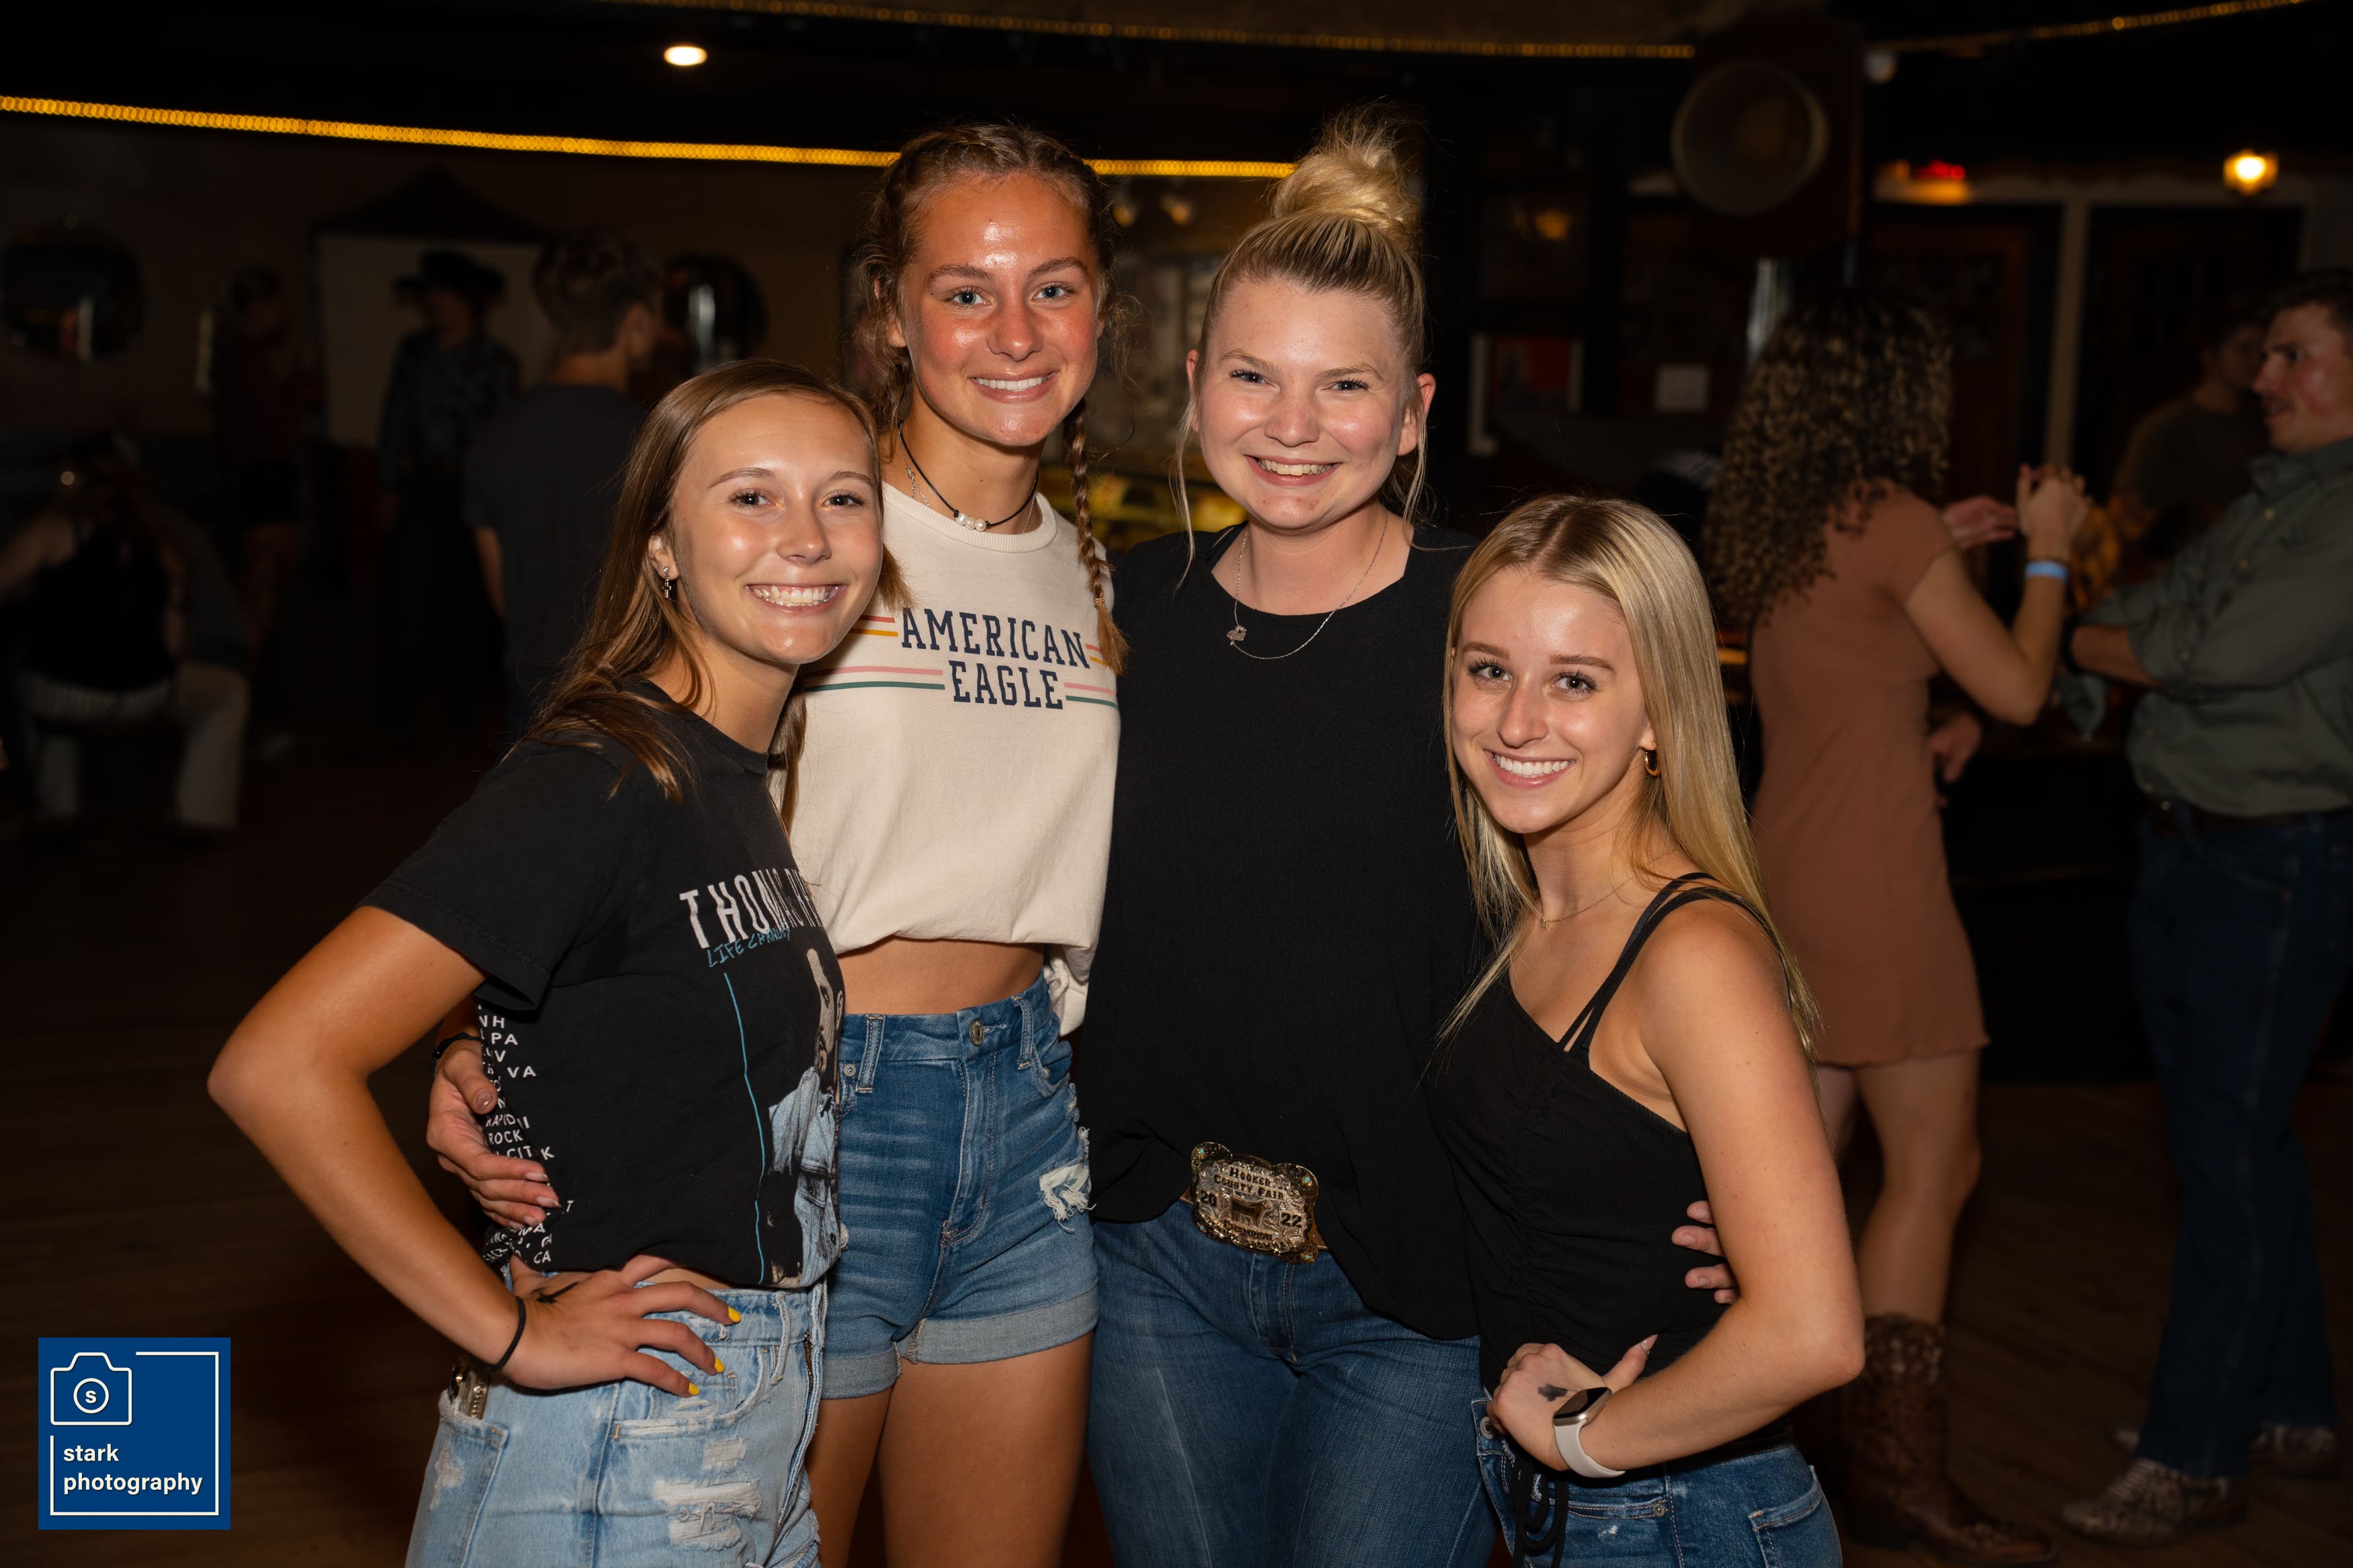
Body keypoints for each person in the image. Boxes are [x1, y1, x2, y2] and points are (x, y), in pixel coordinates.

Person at [432, 122, 1127, 1568]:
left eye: (1053, 287)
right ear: (890, 311)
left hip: (1029, 1109)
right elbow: (607, 789)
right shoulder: (809, 532)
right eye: (964, 291)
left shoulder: (1092, 565)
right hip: (813, 1106)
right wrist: (481, 1027)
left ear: (1102, 309)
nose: (1014, 332)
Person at [1079, 111, 1734, 1568]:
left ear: (1416, 409)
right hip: (1151, 1258)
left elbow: (1659, 897)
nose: (1292, 423)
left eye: (1345, 385)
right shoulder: (1119, 614)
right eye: (1253, 374)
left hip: (1428, 1282)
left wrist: (1738, 1173)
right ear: (1193, 385)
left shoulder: (1487, 630)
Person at [208, 360, 886, 1565]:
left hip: (743, 1422)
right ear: (662, 545)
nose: (807, 536)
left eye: (844, 497)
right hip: (618, 1448)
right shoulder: (602, 776)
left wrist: (471, 1040)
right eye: (751, 496)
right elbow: (278, 1065)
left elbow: (596, 980)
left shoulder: (726, 769)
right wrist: (514, 1335)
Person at [1706, 289, 2088, 1566]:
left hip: (1785, 871)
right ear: (1897, 394)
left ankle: (1756, 1440)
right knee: (1935, 1170)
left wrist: (1947, 578)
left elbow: (1862, 665)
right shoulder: (1899, 521)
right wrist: (2047, 550)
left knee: (1793, 1181)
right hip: (1879, 886)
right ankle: (1898, 1477)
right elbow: (2022, 686)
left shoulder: (1785, 517)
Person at [1425, 493, 1862, 1566]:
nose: (1517, 721)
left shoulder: (1690, 954)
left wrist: (1587, 1439)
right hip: (1579, 1508)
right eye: (1489, 670)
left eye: (1575, 681)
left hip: (1679, 1516)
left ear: (1661, 710)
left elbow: (1813, 1333)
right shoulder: (1529, 906)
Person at [2056, 268, 2353, 1545]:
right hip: (2196, 851)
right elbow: (2143, 615)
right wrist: (2117, 643)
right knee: (2240, 1149)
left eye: (2293, 355)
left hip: (2275, 862)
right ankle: (2289, 1405)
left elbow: (2209, 653)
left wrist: (2104, 645)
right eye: (2265, 354)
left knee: (2227, 1162)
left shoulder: (2343, 516)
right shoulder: (2276, 498)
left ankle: (2196, 1453)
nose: (2263, 378)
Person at [469, 228, 663, 739]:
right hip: (629, 695)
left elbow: (504, 594)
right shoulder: (652, 440)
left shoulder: (494, 435)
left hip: (531, 697)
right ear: (636, 319)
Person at [0, 435, 244, 835]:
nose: (56, 485)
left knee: (25, 679)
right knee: (230, 690)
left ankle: (51, 807)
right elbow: (176, 646)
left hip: (62, 691)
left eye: (65, 476)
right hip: (145, 694)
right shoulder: (164, 540)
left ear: (82, 479)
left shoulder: (51, 530)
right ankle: (202, 817)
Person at [373, 248, 518, 748]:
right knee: (410, 603)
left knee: (469, 608)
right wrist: (388, 484)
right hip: (422, 490)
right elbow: (395, 419)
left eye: (441, 292)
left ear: (465, 300)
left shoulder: (496, 363)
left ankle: (464, 718)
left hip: (474, 495)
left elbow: (503, 439)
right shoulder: (414, 353)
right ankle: (394, 720)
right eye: (428, 292)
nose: (431, 302)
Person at [210, 265, 319, 652]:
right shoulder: (242, 357)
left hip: (267, 478)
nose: (283, 313)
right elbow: (272, 426)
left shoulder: (248, 355)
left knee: (267, 584)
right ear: (258, 306)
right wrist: (301, 376)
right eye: (278, 303)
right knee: (261, 584)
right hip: (262, 480)